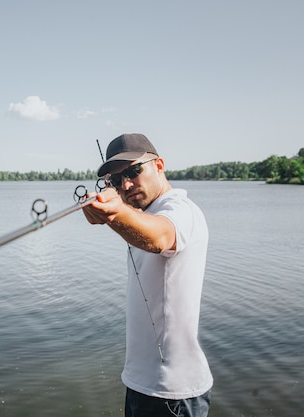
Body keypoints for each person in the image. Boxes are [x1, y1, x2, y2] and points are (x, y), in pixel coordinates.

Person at [83, 133, 213, 417]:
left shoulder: (180, 210)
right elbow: (141, 226)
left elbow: (160, 238)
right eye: (116, 181)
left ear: (160, 165)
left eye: (133, 171)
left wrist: (115, 214)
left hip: (173, 395)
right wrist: (114, 213)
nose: (126, 185)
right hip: (141, 386)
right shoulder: (145, 211)